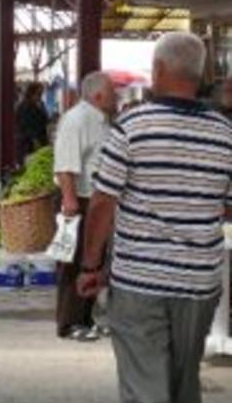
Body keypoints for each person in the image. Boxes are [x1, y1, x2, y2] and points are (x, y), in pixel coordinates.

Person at [77, 33, 232, 403]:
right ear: (199, 73)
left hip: (139, 283)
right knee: (183, 385)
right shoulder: (226, 134)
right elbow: (226, 206)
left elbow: (101, 203)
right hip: (198, 283)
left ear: (159, 69)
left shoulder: (132, 126)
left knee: (145, 386)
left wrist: (91, 265)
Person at [52, 71, 118, 342]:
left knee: (94, 260)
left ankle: (86, 316)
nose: (117, 98)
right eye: (113, 93)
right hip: (78, 199)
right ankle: (69, 322)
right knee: (73, 262)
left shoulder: (102, 121)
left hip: (97, 199)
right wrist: (69, 201)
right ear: (99, 95)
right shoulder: (76, 119)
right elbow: (66, 164)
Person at [16, 82, 50, 162]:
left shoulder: (40, 104)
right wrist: (35, 140)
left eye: (41, 94)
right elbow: (25, 126)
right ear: (31, 93)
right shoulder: (24, 107)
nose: (40, 97)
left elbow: (45, 119)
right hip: (28, 144)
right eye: (38, 94)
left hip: (40, 141)